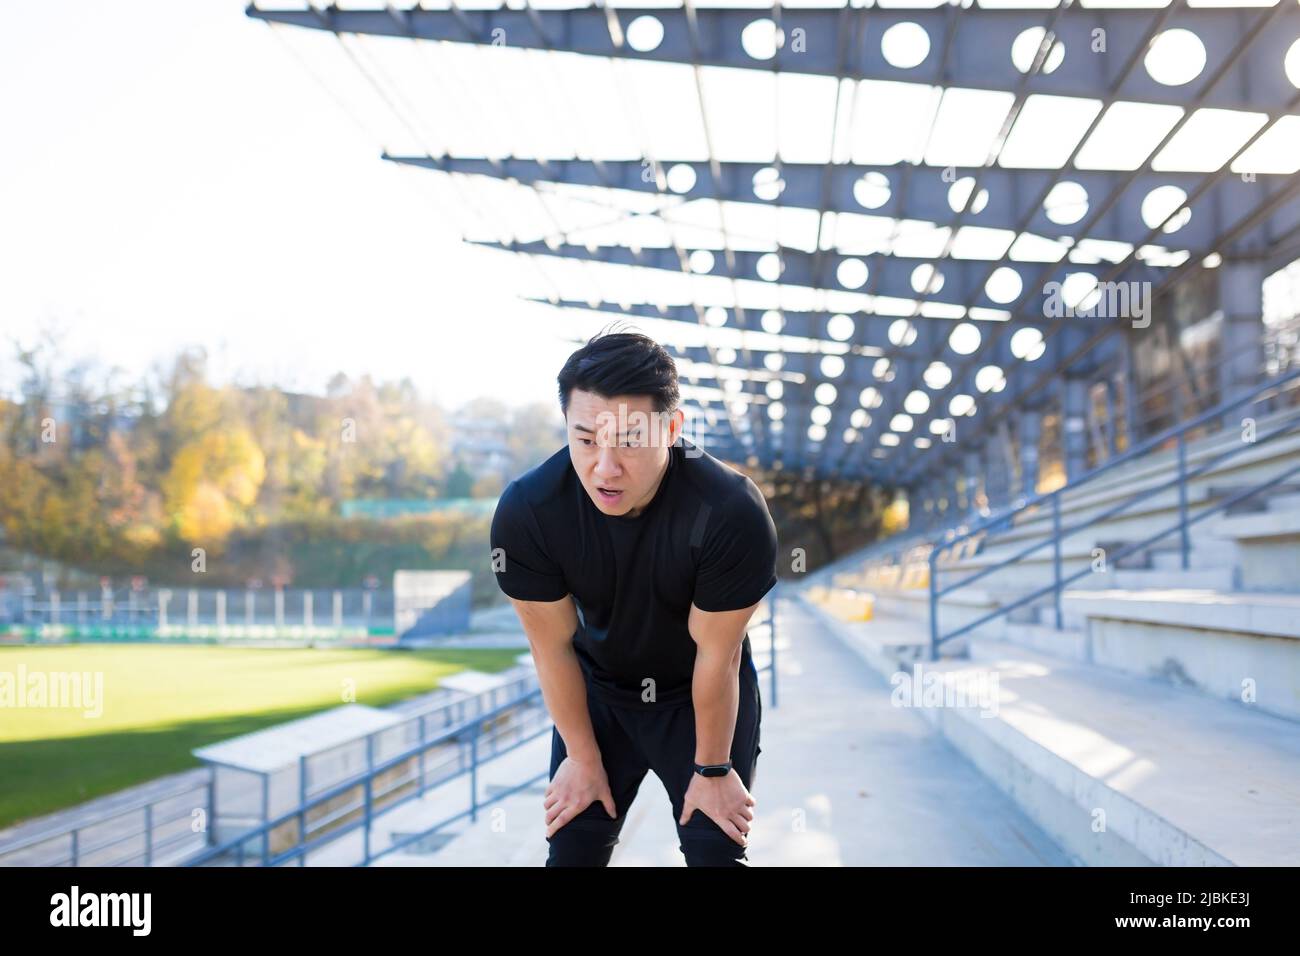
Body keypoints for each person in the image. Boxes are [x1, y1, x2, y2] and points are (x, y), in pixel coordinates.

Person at [489, 328, 779, 866]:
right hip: (598, 696)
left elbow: (720, 654)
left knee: (716, 852)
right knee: (572, 851)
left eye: (628, 439)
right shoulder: (529, 512)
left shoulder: (729, 511)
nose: (605, 466)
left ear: (671, 429)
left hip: (701, 695)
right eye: (586, 439)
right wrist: (580, 755)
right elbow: (551, 648)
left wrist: (714, 771)